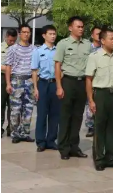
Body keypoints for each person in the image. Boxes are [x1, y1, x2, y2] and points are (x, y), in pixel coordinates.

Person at [86, 27, 113, 171]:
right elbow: (89, 79)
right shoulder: (94, 57)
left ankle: (111, 157)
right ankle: (99, 158)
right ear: (102, 40)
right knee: (100, 127)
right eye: (111, 38)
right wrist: (91, 100)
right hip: (101, 95)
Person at [55, 16, 91, 159]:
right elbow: (57, 65)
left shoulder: (87, 44)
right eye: (78, 26)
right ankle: (63, 148)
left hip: (82, 82)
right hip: (68, 82)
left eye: (82, 27)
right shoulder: (63, 44)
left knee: (77, 116)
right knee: (65, 116)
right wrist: (59, 86)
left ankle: (74, 146)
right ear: (71, 28)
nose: (81, 29)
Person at [4, 24, 36, 143]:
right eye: (24, 32)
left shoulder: (34, 49)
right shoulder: (12, 49)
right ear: (19, 33)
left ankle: (24, 133)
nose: (26, 34)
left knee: (28, 109)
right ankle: (15, 133)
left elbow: (35, 68)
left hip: (29, 80)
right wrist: (8, 83)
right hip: (16, 80)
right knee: (15, 109)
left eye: (28, 32)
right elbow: (8, 67)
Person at [31, 25, 60, 151]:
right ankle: (41, 141)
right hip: (42, 83)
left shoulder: (58, 51)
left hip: (55, 83)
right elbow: (34, 71)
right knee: (42, 114)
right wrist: (35, 88)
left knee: (55, 114)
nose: (53, 36)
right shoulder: (38, 51)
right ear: (44, 35)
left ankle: (51, 140)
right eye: (50, 34)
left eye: (54, 34)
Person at [85, 26, 102, 138]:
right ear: (92, 35)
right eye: (97, 34)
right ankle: (90, 126)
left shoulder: (104, 48)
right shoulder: (88, 49)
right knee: (89, 104)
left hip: (101, 81)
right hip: (90, 79)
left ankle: (99, 126)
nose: (99, 36)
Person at [1, 28, 17, 137]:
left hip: (14, 78)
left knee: (12, 105)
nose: (12, 43)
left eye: (14, 41)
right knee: (1, 104)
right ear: (6, 36)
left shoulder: (17, 49)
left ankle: (10, 128)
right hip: (2, 78)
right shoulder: (0, 47)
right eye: (10, 40)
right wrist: (7, 69)